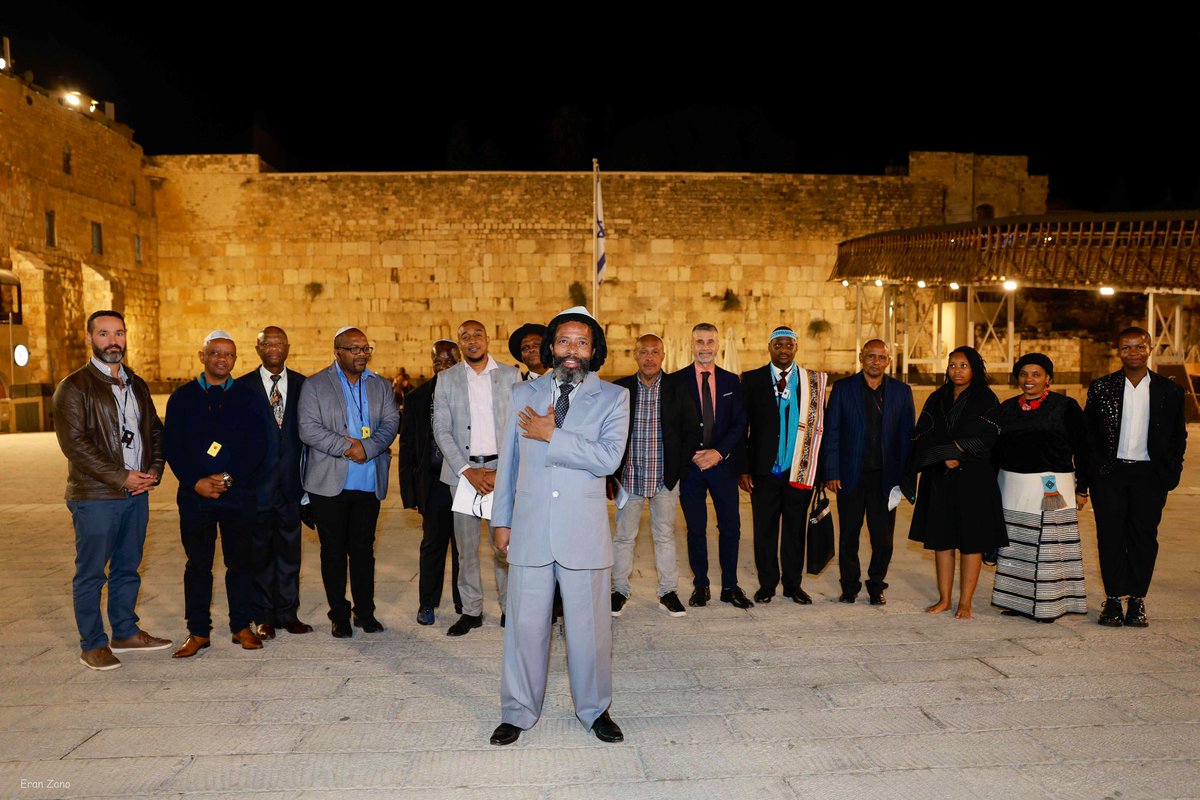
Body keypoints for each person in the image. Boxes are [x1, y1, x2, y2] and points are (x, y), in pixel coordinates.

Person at [489, 306, 630, 746]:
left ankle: (594, 710)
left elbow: (608, 459)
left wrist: (554, 435)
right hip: (529, 528)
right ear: (551, 347)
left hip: (583, 532)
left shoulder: (614, 398)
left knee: (589, 632)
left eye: (582, 342)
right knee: (524, 628)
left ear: (595, 350)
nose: (572, 350)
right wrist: (501, 519)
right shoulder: (521, 394)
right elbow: (508, 461)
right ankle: (518, 710)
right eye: (564, 341)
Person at [53, 310, 172, 670]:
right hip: (95, 497)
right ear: (89, 339)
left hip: (136, 493)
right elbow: (75, 444)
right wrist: (121, 476)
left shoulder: (136, 383)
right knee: (91, 572)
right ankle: (93, 643)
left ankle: (125, 632)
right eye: (104, 334)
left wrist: (153, 469)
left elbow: (153, 430)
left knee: (127, 567)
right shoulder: (73, 387)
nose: (113, 341)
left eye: (118, 333)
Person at [165, 330, 267, 657]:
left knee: (241, 562)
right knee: (198, 564)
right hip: (195, 496)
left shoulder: (249, 396)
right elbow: (172, 446)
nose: (222, 359)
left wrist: (227, 477)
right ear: (202, 356)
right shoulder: (181, 397)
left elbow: (258, 445)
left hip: (237, 493)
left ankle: (241, 625)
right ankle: (198, 632)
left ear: (235, 360)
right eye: (215, 353)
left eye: (229, 355)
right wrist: (195, 480)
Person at [297, 326, 399, 638]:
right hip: (329, 482)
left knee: (363, 550)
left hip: (368, 482)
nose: (361, 354)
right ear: (337, 351)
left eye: (365, 348)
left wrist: (366, 448)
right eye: (354, 349)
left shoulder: (380, 385)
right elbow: (307, 428)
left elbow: (391, 421)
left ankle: (364, 612)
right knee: (333, 551)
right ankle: (338, 615)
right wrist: (347, 446)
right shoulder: (315, 384)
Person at [1085, 327, 1187, 627]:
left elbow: (1177, 436)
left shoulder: (1170, 391)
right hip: (1110, 474)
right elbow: (1088, 435)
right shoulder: (1102, 387)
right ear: (1118, 351)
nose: (1133, 352)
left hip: (1149, 476)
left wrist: (1171, 471)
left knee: (1144, 538)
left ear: (1150, 348)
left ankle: (1138, 600)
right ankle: (1114, 600)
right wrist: (1092, 472)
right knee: (1110, 536)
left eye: (1139, 347)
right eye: (1126, 347)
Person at [904, 346, 1006, 620]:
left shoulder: (986, 398)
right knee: (942, 539)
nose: (957, 370)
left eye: (963, 365)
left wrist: (954, 451)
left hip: (974, 479)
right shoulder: (937, 398)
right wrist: (944, 456)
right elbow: (923, 433)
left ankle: (966, 602)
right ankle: (945, 599)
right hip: (940, 478)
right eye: (952, 365)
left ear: (974, 368)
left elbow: (990, 435)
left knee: (971, 540)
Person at [433, 319, 521, 636]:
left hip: (501, 471)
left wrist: (503, 470)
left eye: (478, 335)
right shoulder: (447, 379)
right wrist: (467, 471)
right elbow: (441, 430)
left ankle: (511, 610)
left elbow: (518, 428)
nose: (473, 341)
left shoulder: (511, 376)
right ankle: (471, 610)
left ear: (487, 339)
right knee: (465, 548)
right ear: (460, 343)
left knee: (505, 546)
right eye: (465, 336)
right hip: (464, 474)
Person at [990, 353, 1090, 623]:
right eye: (1023, 374)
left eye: (1036, 374)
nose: (1029, 379)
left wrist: (1083, 487)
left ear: (1048, 378)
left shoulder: (1065, 407)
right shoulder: (1008, 408)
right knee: (1016, 545)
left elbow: (1084, 448)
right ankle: (1017, 600)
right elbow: (995, 450)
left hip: (1051, 486)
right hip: (1012, 486)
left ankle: (1049, 604)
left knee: (1050, 546)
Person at [610, 333, 697, 618]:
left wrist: (678, 470)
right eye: (644, 352)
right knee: (624, 537)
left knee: (664, 535)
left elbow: (690, 432)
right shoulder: (620, 389)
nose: (649, 357)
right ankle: (619, 590)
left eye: (655, 352)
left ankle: (668, 592)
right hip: (630, 477)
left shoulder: (678, 387)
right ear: (635, 356)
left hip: (664, 479)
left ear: (663, 356)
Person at [822, 339, 914, 605]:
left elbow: (907, 436)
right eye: (870, 356)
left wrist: (905, 478)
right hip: (850, 476)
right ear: (861, 358)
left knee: (882, 539)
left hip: (886, 479)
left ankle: (876, 585)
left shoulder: (901, 391)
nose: (875, 361)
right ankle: (849, 586)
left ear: (888, 361)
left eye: (881, 357)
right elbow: (832, 432)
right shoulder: (842, 389)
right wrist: (831, 471)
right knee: (849, 534)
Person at [739, 326, 827, 605]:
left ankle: (793, 585)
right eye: (778, 345)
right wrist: (743, 468)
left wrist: (819, 471)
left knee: (795, 530)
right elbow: (742, 427)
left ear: (796, 348)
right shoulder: (751, 380)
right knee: (764, 530)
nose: (784, 350)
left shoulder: (811, 382)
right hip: (764, 472)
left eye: (789, 345)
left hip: (798, 469)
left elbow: (819, 430)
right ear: (770, 348)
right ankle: (767, 584)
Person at [235, 326, 313, 639]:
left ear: (288, 347)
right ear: (258, 349)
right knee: (260, 555)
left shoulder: (304, 385)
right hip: (256, 488)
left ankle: (288, 613)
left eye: (280, 342)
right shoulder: (241, 388)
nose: (274, 347)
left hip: (292, 486)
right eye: (268, 343)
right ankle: (264, 616)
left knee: (290, 554)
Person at [669, 323, 751, 608]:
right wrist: (691, 453)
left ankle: (730, 585)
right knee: (695, 528)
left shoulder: (731, 381)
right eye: (700, 341)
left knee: (730, 527)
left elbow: (740, 422)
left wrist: (718, 452)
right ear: (691, 345)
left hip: (722, 466)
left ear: (718, 346)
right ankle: (700, 585)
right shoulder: (676, 381)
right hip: (691, 469)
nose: (705, 347)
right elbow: (671, 424)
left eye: (710, 342)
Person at [399, 339, 464, 626]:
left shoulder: (472, 394)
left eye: (450, 361)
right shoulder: (417, 398)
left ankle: (465, 601)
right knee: (433, 545)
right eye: (438, 362)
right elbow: (408, 451)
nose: (444, 366)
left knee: (465, 544)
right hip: (434, 484)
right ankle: (427, 603)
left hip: (467, 481)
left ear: (459, 361)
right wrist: (409, 494)